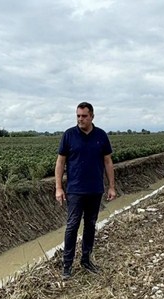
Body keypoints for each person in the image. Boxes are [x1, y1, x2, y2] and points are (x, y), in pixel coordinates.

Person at [55, 102, 116, 280]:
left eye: (84, 116)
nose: (80, 119)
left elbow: (108, 162)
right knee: (72, 225)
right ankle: (67, 265)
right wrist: (58, 187)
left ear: (92, 117)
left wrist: (112, 186)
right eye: (78, 116)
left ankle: (86, 260)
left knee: (90, 224)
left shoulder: (101, 136)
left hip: (95, 189)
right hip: (75, 190)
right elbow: (60, 162)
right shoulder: (69, 135)